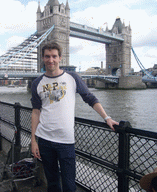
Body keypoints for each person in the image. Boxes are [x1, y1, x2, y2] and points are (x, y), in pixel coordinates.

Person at [30, 42, 119, 192]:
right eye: (47, 56)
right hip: (44, 139)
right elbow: (36, 112)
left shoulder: (72, 78)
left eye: (54, 56)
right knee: (52, 183)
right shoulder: (37, 83)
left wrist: (107, 117)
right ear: (43, 58)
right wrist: (33, 140)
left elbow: (90, 98)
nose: (50, 60)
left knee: (69, 184)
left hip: (66, 141)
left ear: (60, 58)